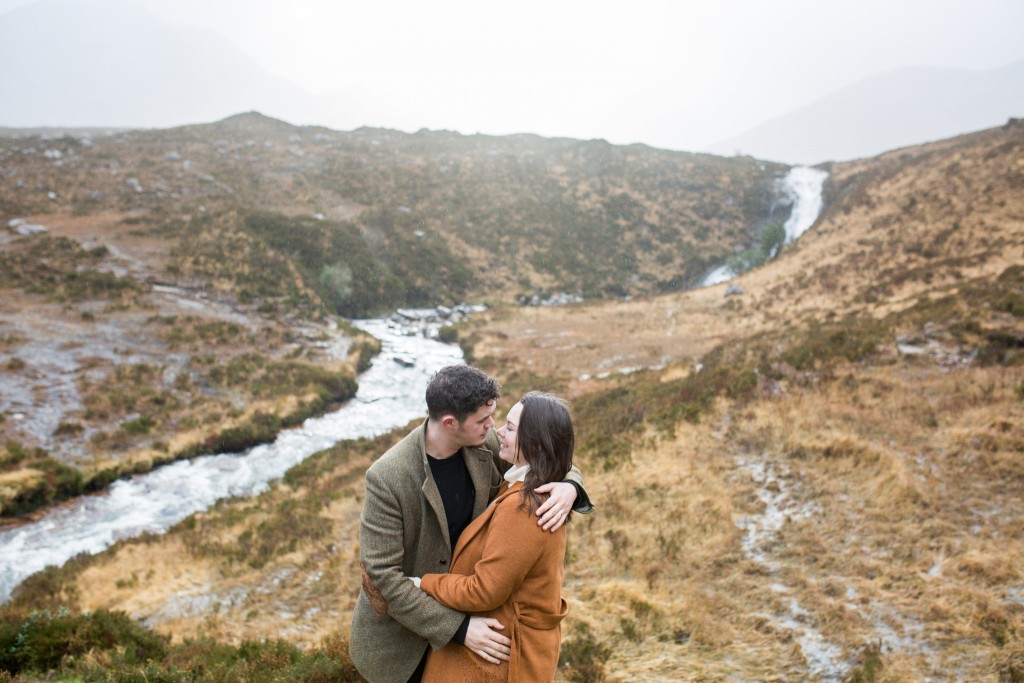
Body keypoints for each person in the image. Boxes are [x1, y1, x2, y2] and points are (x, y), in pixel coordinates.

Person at [349, 365, 592, 683]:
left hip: (466, 624)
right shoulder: (388, 478)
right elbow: (383, 578)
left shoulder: (484, 443)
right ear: (450, 423)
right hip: (402, 642)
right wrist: (459, 629)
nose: (494, 427)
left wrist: (570, 486)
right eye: (483, 420)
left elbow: (546, 453)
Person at [411, 391, 576, 682]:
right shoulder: (532, 485)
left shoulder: (523, 507)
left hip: (492, 661)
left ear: (535, 443)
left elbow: (483, 591)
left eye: (510, 428)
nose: (498, 431)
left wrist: (424, 583)